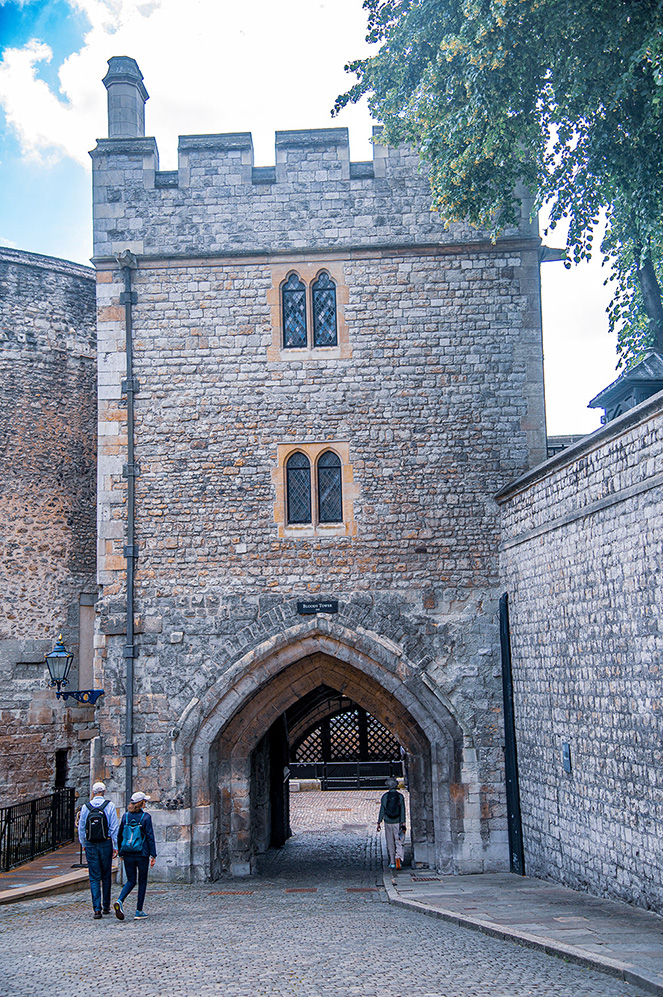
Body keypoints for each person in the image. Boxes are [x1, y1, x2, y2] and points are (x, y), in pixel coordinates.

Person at [78, 781, 119, 919]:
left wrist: (83, 843)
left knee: (94, 876)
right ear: (104, 791)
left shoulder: (86, 807)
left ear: (93, 792)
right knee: (106, 875)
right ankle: (106, 905)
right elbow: (114, 827)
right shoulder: (110, 806)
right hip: (105, 843)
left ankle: (97, 909)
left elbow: (82, 827)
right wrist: (116, 846)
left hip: (91, 844)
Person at [114, 791, 157, 920]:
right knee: (142, 881)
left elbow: (120, 835)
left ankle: (120, 900)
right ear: (142, 803)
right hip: (141, 853)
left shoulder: (126, 817)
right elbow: (150, 837)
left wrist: (120, 852)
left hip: (127, 853)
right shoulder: (146, 817)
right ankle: (139, 910)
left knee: (131, 880)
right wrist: (153, 855)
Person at [377, 776, 406, 870]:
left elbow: (382, 810)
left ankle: (392, 862)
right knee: (399, 841)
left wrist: (379, 822)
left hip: (388, 822)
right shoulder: (400, 796)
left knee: (390, 842)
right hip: (397, 822)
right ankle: (399, 857)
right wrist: (403, 822)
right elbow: (402, 810)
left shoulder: (385, 797)